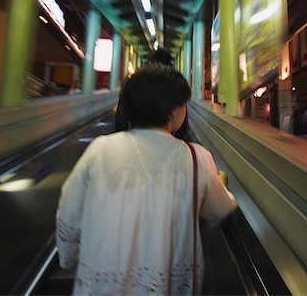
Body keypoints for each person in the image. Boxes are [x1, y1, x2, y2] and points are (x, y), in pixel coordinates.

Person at [56, 63, 237, 295]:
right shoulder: (196, 158)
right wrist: (220, 182)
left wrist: (68, 255)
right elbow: (219, 209)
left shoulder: (99, 149)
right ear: (173, 110)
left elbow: (69, 212)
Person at [115, 47, 191, 141]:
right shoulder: (173, 84)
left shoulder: (134, 81)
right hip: (169, 140)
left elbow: (121, 114)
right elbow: (182, 123)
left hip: (135, 137)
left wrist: (120, 137)